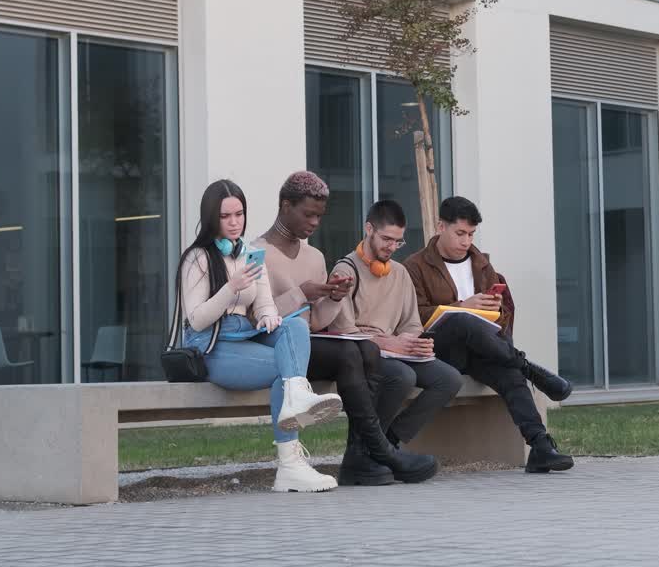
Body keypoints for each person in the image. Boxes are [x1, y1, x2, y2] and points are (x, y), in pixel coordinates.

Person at [253, 172, 438, 486]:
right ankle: (378, 450)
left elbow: (316, 322)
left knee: (366, 350)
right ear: (286, 206)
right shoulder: (257, 252)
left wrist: (334, 297)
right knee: (353, 351)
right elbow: (256, 319)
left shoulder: (314, 256)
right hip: (276, 347)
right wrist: (302, 293)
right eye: (308, 214)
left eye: (319, 216)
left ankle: (361, 456)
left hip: (309, 342)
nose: (314, 223)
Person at [172, 179, 342, 493]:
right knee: (285, 371)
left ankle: (295, 405)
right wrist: (231, 288)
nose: (235, 222)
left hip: (245, 334)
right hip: (210, 343)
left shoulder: (250, 254)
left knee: (295, 326)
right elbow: (195, 320)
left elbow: (263, 301)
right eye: (226, 216)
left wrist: (267, 315)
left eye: (240, 214)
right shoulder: (197, 258)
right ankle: (290, 463)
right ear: (212, 218)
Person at [404, 196, 574, 473]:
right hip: (440, 352)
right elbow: (414, 315)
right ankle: (529, 367)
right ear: (440, 227)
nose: (466, 241)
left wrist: (496, 310)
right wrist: (461, 307)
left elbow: (505, 317)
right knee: (462, 321)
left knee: (510, 373)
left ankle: (541, 446)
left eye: (471, 234)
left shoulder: (482, 265)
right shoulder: (415, 266)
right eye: (460, 233)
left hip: (482, 351)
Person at [321, 200, 465, 458]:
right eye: (387, 239)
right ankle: (369, 449)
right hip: (364, 352)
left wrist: (412, 342)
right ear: (368, 229)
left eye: (398, 241)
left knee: (449, 378)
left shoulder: (399, 272)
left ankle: (389, 440)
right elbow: (342, 329)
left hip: (396, 350)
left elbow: (410, 322)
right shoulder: (345, 269)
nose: (392, 247)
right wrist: (386, 343)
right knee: (402, 376)